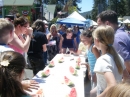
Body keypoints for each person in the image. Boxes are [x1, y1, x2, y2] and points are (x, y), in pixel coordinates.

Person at [0, 18, 39, 93]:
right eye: (25, 26)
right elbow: (8, 79)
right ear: (12, 32)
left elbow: (25, 48)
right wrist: (29, 35)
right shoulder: (7, 52)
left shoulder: (18, 36)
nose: (27, 28)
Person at [90, 25, 128, 97]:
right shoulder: (118, 57)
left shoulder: (102, 60)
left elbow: (112, 85)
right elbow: (127, 78)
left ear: (97, 40)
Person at [97, 10, 130, 76]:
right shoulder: (123, 34)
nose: (98, 28)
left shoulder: (116, 38)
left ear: (107, 24)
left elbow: (128, 66)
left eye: (99, 25)